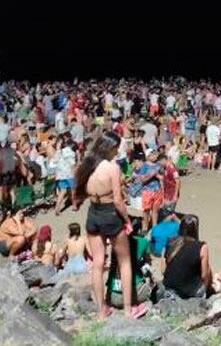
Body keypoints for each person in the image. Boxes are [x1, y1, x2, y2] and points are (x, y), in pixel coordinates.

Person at [74, 131, 144, 319]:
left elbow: (79, 193)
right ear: (111, 148)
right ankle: (129, 309)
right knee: (124, 261)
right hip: (110, 213)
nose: (117, 151)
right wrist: (127, 221)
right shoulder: (112, 168)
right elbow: (119, 201)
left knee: (97, 263)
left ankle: (101, 311)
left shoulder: (87, 165)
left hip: (93, 213)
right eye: (117, 148)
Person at [163, 214, 213, 299]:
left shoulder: (170, 241)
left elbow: (163, 270)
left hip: (169, 287)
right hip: (190, 291)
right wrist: (206, 287)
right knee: (208, 269)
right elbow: (204, 275)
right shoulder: (202, 246)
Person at [139, 148, 163, 232]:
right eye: (153, 154)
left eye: (155, 154)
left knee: (155, 210)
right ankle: (145, 227)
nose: (156, 156)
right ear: (148, 156)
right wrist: (152, 175)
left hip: (157, 190)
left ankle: (154, 227)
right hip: (147, 191)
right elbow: (142, 180)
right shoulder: (144, 166)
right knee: (146, 210)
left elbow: (162, 177)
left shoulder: (158, 165)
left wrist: (159, 176)